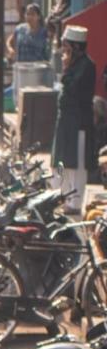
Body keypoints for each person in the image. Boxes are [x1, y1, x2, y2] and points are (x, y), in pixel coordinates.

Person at [52, 24, 97, 215]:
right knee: (63, 162)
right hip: (66, 122)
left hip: (79, 123)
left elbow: (73, 88)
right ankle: (63, 196)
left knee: (77, 164)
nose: (64, 50)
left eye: (67, 46)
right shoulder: (73, 64)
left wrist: (66, 68)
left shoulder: (86, 66)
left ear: (76, 47)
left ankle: (75, 202)